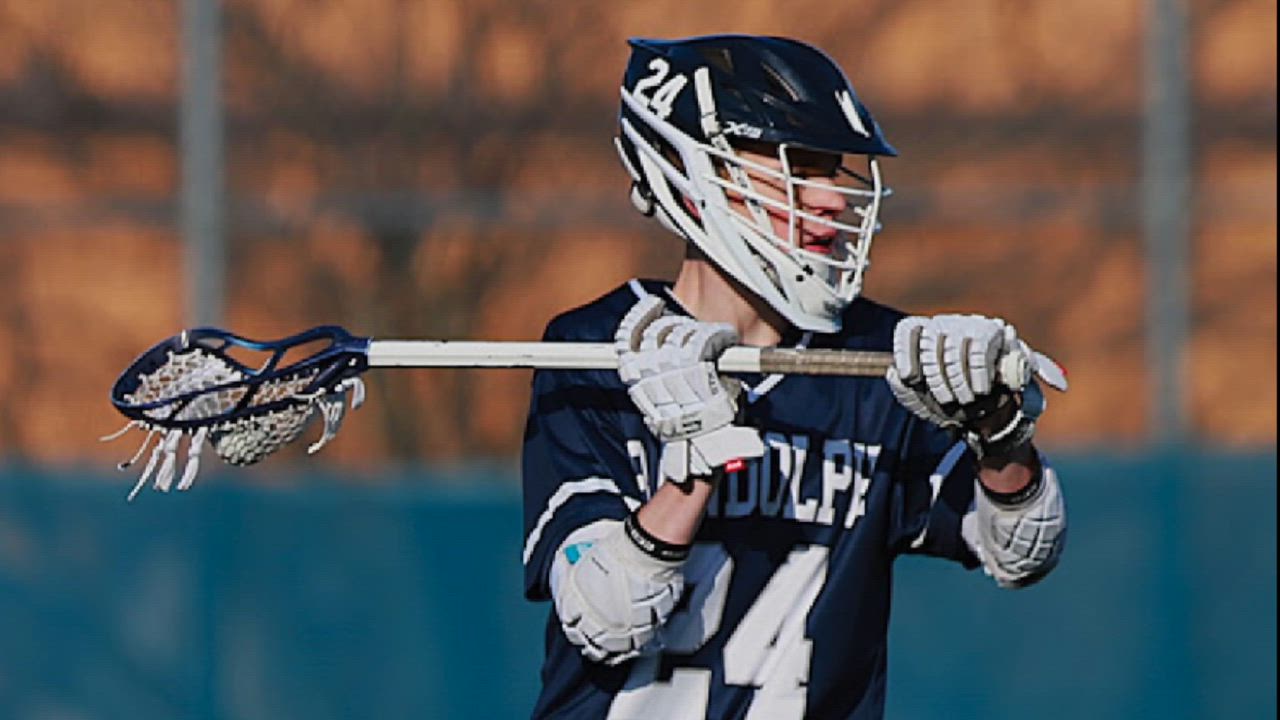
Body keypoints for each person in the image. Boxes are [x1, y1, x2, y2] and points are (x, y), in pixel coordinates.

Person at [520, 34, 1069, 720]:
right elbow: (606, 619)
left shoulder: (877, 359)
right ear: (692, 171)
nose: (832, 199)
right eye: (797, 167)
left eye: (833, 170)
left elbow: (1022, 549)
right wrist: (694, 460)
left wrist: (1000, 434)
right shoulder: (596, 352)